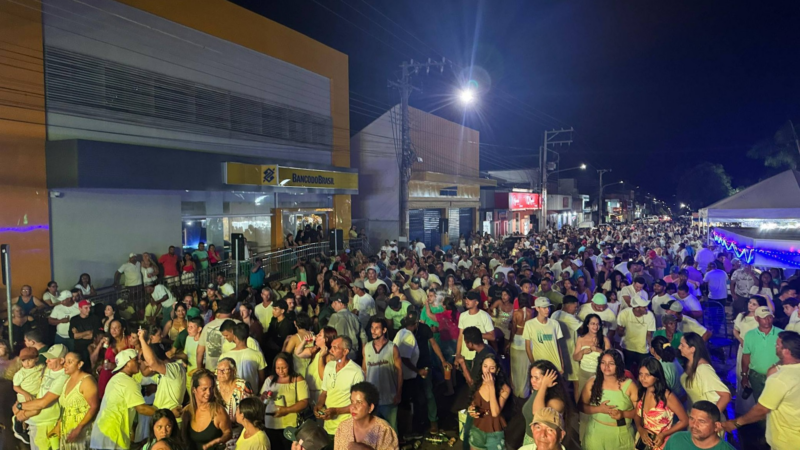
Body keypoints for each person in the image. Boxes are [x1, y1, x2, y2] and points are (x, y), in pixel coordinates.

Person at [721, 331, 800, 450]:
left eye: (778, 345)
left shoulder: (780, 379)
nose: (775, 346)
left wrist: (736, 423)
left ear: (786, 351)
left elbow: (761, 410)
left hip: (788, 441)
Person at [89, 349, 157, 450]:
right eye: (135, 360)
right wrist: (166, 413)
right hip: (113, 437)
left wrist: (148, 388)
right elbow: (141, 408)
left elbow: (128, 394)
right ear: (127, 363)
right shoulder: (128, 382)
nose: (139, 362)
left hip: (102, 434)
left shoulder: (116, 379)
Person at [13, 344, 69, 450]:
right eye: (47, 358)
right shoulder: (47, 369)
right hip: (35, 423)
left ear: (62, 360)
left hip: (46, 425)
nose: (47, 361)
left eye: (51, 358)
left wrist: (20, 406)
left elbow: (43, 403)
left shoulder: (63, 376)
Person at [579, 350, 637, 450]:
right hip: (595, 435)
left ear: (618, 365)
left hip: (621, 437)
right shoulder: (592, 382)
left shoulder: (629, 385)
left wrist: (623, 414)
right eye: (603, 362)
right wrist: (599, 409)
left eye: (611, 363)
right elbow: (580, 406)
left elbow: (640, 412)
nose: (606, 366)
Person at [314, 336, 365, 440]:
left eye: (335, 348)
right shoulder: (329, 366)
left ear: (345, 351)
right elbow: (324, 392)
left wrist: (336, 411)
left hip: (347, 428)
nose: (331, 350)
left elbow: (359, 404)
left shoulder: (356, 372)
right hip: (328, 426)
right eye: (331, 347)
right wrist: (319, 405)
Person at [633, 358, 689, 450]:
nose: (643, 378)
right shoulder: (642, 392)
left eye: (647, 375)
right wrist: (640, 429)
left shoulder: (667, 396)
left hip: (663, 444)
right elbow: (637, 415)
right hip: (646, 443)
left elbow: (685, 420)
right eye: (640, 374)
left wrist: (664, 434)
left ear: (657, 376)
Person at [138, 329, 187, 427]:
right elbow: (146, 373)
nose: (149, 367)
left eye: (148, 364)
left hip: (171, 421)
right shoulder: (165, 372)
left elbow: (152, 362)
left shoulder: (174, 369)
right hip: (164, 419)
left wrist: (142, 339)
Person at [260, 352, 309, 450]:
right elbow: (261, 400)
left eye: (284, 367)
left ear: (290, 366)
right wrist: (263, 397)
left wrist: (286, 410)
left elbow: (304, 402)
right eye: (278, 368)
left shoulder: (297, 380)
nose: (281, 371)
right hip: (271, 424)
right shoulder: (269, 380)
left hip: (290, 426)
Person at [362, 318, 402, 432]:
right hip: (372, 399)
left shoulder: (392, 348)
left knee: (391, 431)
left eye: (377, 328)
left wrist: (399, 393)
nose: (373, 331)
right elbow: (364, 371)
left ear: (384, 330)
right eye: (372, 328)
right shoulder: (366, 347)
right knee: (373, 432)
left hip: (389, 397)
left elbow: (399, 372)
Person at [53, 352, 99, 450]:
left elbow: (94, 406)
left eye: (69, 362)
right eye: (65, 362)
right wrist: (59, 424)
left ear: (80, 364)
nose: (65, 365)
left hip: (83, 431)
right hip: (67, 429)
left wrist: (79, 428)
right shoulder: (67, 380)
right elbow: (66, 408)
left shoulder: (87, 381)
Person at [522, 360, 573, 447]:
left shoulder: (556, 402)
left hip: (544, 442)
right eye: (531, 377)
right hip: (530, 438)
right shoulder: (537, 392)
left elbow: (538, 413)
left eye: (537, 378)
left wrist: (544, 386)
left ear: (550, 378)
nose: (532, 381)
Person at [678, 333, 731, 415]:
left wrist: (710, 418)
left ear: (692, 349)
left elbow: (726, 396)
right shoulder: (689, 363)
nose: (679, 347)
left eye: (682, 345)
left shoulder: (703, 369)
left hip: (705, 417)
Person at [467, 354, 511, 450]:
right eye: (485, 366)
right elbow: (474, 403)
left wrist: (491, 386)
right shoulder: (478, 383)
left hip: (494, 431)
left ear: (497, 370)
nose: (487, 371)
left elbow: (495, 413)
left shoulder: (504, 389)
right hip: (477, 427)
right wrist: (471, 409)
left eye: (492, 368)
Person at [181, 369, 232, 450]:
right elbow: (183, 439)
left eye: (211, 388)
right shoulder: (187, 412)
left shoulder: (218, 411)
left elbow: (228, 432)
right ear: (194, 390)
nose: (209, 393)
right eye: (204, 389)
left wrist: (220, 440)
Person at [741, 306, 781, 400]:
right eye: (763, 318)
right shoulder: (750, 335)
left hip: (777, 376)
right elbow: (746, 355)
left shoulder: (781, 334)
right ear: (756, 318)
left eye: (769, 317)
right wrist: (744, 375)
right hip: (756, 376)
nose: (767, 320)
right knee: (759, 401)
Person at [663, 401, 734, 450]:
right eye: (692, 419)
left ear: (716, 426)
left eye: (701, 421)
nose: (694, 425)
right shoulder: (676, 439)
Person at [219, 322, 267, 391]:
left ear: (234, 337)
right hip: (252, 394)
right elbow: (262, 378)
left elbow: (220, 378)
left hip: (231, 394)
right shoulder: (258, 355)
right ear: (247, 336)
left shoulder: (224, 356)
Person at [616, 296, 656, 373]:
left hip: (643, 349)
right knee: (626, 371)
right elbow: (619, 333)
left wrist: (651, 346)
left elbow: (649, 334)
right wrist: (620, 330)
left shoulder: (650, 315)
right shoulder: (624, 313)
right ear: (637, 308)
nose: (646, 308)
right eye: (644, 307)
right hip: (627, 347)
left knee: (642, 371)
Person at [523, 298, 564, 373]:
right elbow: (527, 347)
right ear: (537, 308)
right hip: (540, 364)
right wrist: (534, 364)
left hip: (555, 364)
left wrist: (562, 364)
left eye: (548, 307)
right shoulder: (529, 324)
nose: (547, 310)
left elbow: (558, 345)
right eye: (544, 308)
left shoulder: (555, 323)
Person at [12, 347, 43, 443]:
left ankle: (23, 429)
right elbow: (15, 386)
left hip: (35, 395)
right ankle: (17, 422)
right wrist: (25, 394)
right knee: (34, 410)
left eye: (30, 360)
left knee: (29, 415)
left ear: (36, 359)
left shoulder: (40, 367)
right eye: (24, 360)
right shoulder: (20, 373)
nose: (27, 363)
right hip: (24, 396)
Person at [96, 319, 132, 399]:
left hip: (123, 376)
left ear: (123, 329)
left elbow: (134, 360)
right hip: (107, 376)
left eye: (116, 328)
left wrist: (116, 366)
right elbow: (103, 358)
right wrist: (102, 365)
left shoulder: (130, 340)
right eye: (111, 328)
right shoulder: (108, 342)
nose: (113, 330)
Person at [648, 336, 686, 404]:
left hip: (675, 403)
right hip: (684, 399)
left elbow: (661, 393)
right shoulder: (674, 359)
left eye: (650, 346)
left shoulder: (660, 367)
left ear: (653, 350)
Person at [215, 357, 253, 425]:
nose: (221, 372)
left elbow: (250, 409)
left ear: (233, 371)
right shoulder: (213, 385)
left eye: (224, 370)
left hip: (239, 427)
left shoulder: (243, 385)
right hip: (217, 426)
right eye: (218, 370)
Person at [510, 293, 534, 399]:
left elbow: (513, 329)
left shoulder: (516, 313)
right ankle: (525, 391)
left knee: (515, 366)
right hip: (528, 340)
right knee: (526, 366)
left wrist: (510, 341)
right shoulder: (532, 312)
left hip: (517, 340)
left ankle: (516, 390)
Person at [306, 327, 337, 405]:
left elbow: (323, 376)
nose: (316, 335)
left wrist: (321, 357)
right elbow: (298, 353)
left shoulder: (329, 356)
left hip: (319, 393)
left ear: (326, 339)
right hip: (311, 391)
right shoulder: (316, 351)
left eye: (320, 335)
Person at [69, 299, 101, 369]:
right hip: (79, 349)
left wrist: (78, 334)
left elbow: (93, 335)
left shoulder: (95, 318)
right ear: (80, 309)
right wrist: (88, 332)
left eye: (89, 307)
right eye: (86, 308)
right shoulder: (74, 320)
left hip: (92, 348)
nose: (88, 310)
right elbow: (72, 336)